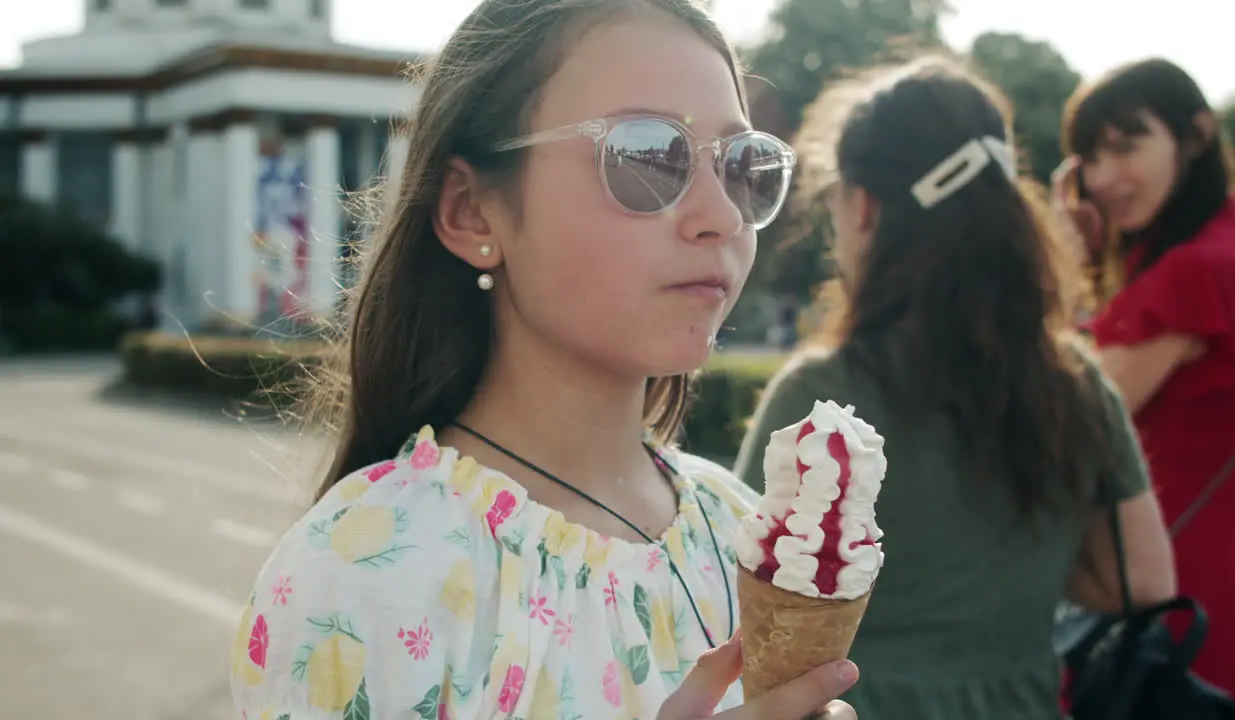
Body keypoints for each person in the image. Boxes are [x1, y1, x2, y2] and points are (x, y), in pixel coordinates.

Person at [227, 1, 860, 718]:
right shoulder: (362, 570)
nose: (720, 216)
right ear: (472, 211)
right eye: (650, 156)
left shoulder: (749, 535)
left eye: (744, 166)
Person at [734, 56, 1175, 719]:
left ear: (865, 210)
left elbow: (728, 595)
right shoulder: (1077, 382)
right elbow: (1145, 579)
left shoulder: (822, 401)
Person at [1054, 57, 1235, 719]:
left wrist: (1062, 259)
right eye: (1089, 158)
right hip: (1234, 558)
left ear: (1196, 134)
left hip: (1176, 576)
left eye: (1128, 145)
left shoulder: (1198, 270)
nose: (1104, 178)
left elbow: (1068, 419)